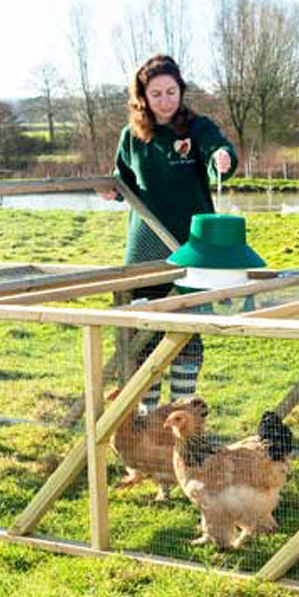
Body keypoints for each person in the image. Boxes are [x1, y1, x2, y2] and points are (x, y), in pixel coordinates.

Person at [101, 54, 236, 408]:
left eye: (171, 91)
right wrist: (110, 189)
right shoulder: (131, 137)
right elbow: (122, 182)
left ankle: (182, 417)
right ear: (142, 97)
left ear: (181, 91)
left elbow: (218, 152)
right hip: (145, 250)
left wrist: (222, 158)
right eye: (156, 93)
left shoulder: (197, 128)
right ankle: (148, 420)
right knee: (145, 333)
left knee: (186, 331)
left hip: (192, 247)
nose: (165, 100)